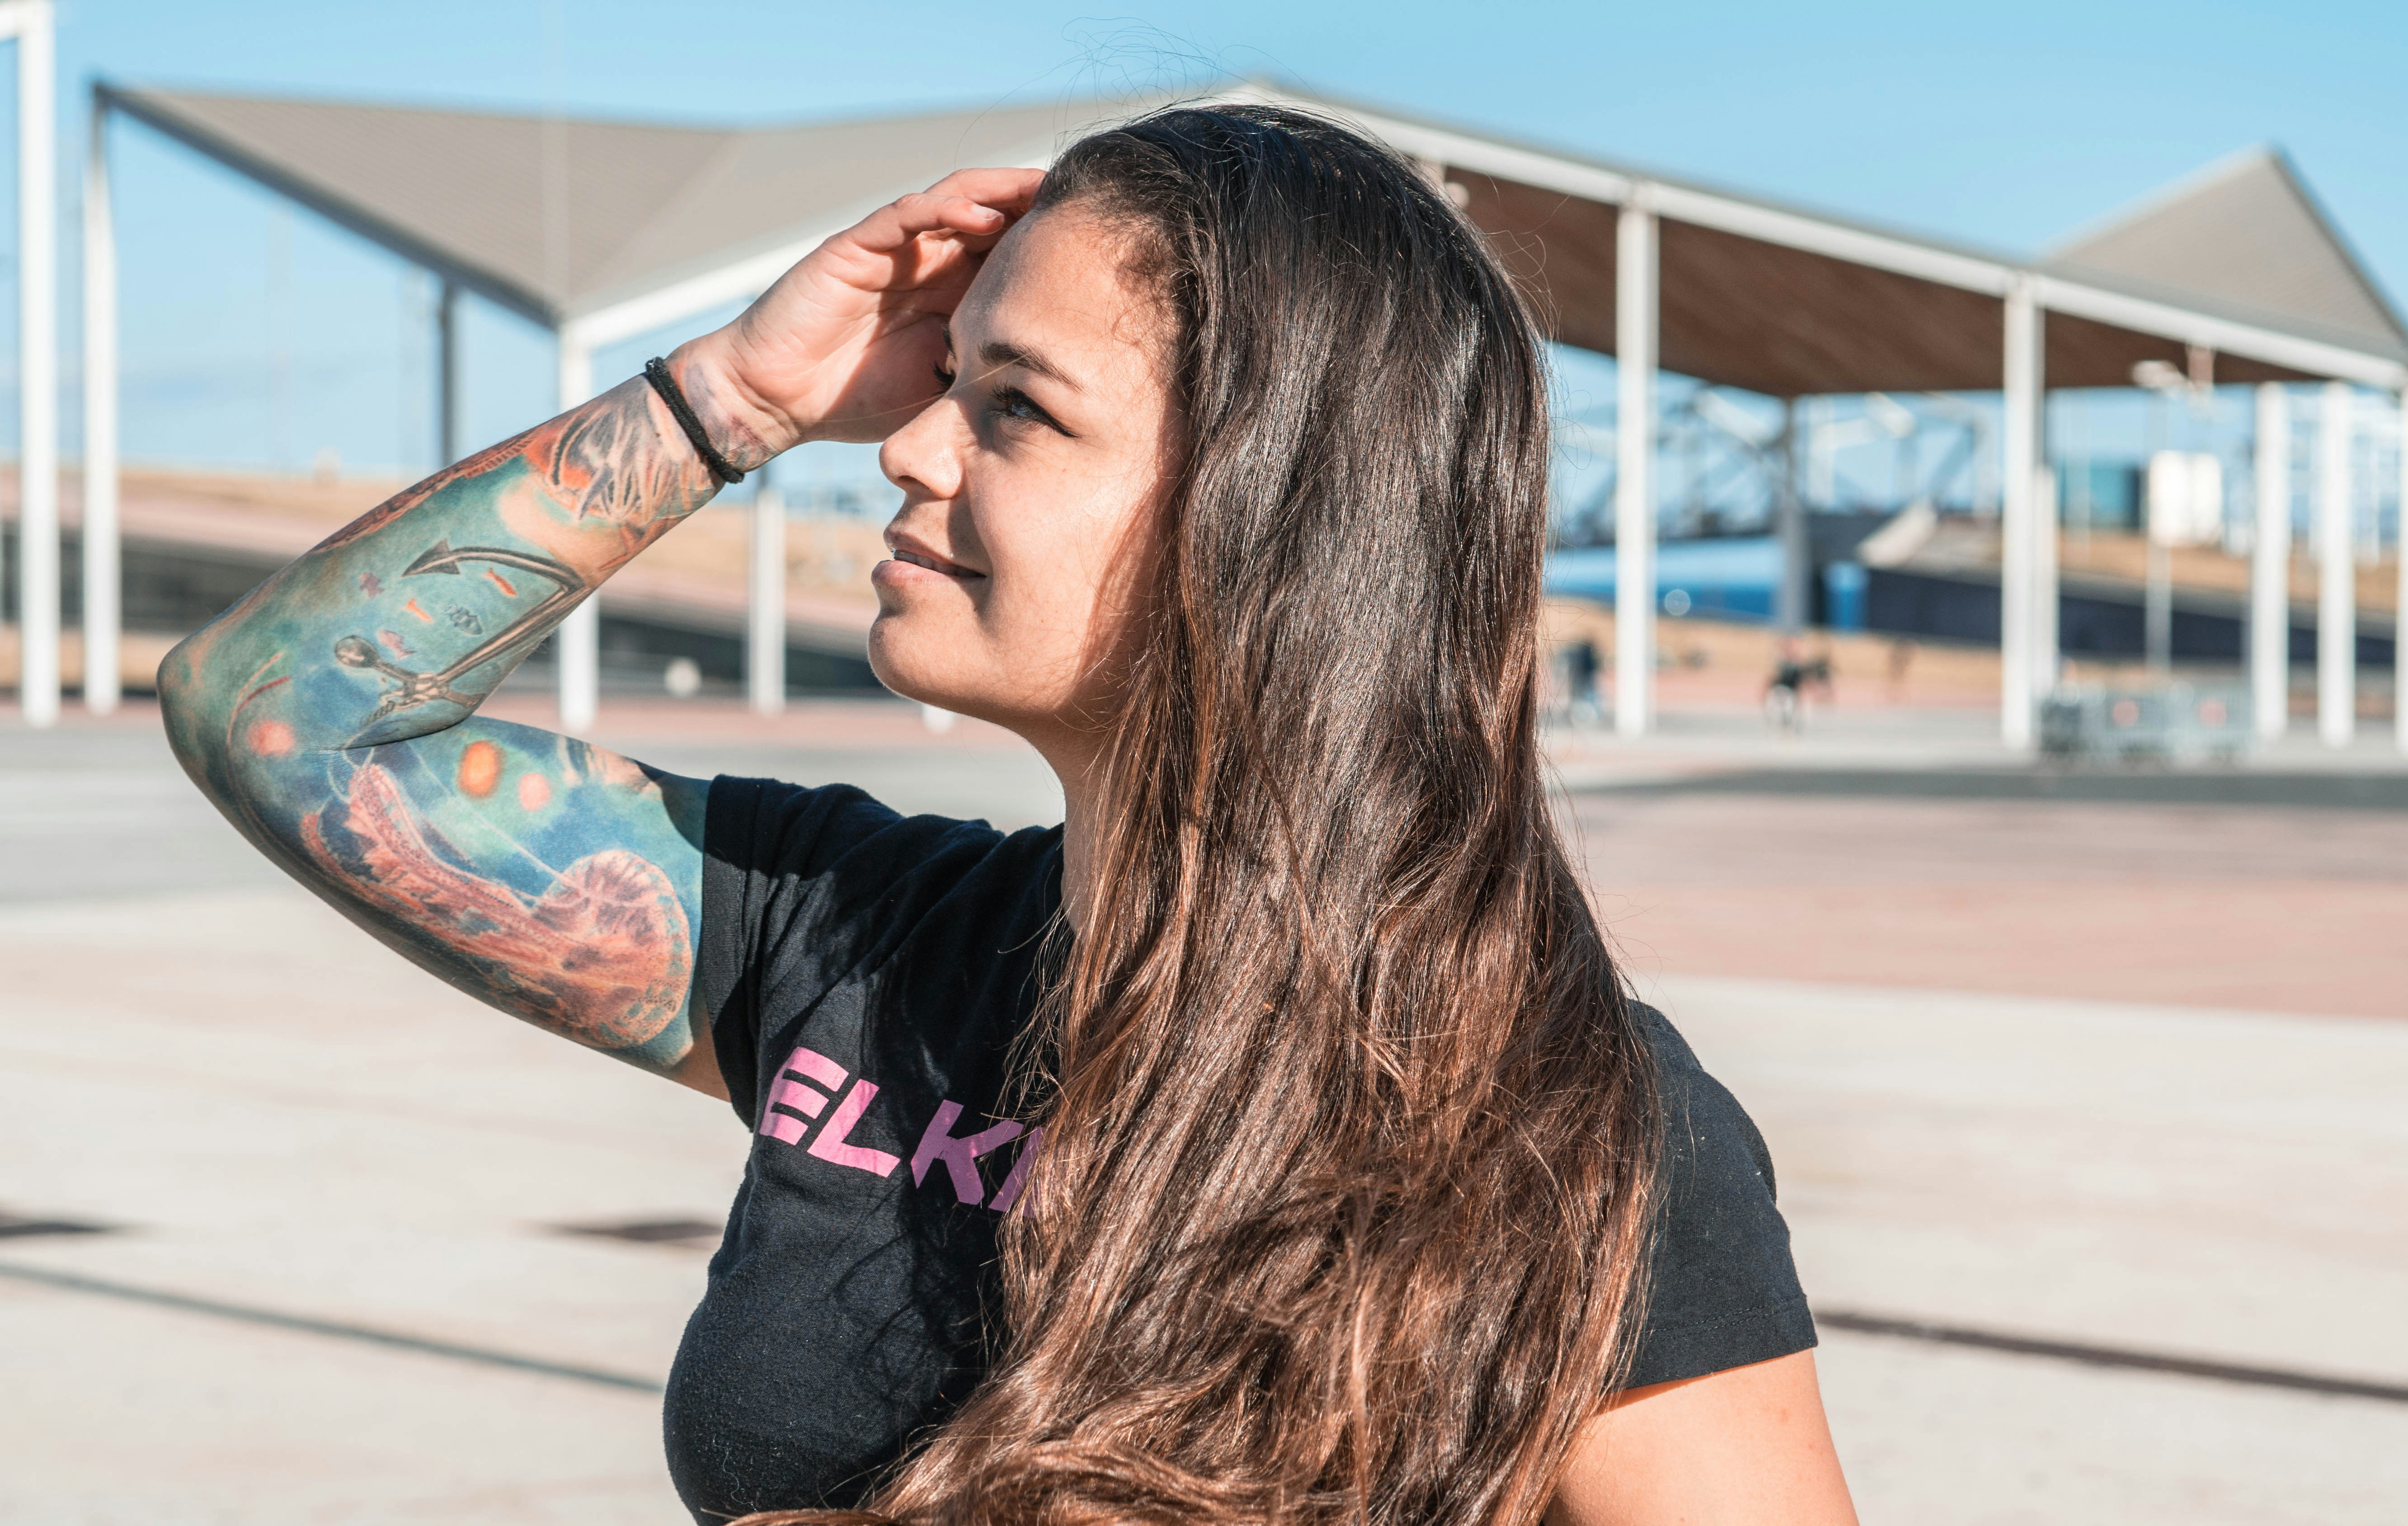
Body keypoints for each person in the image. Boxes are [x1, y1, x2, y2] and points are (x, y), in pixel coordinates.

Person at [158, 106, 1856, 1526]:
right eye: (940, 380)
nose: (905, 448)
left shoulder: (1573, 1132)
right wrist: (728, 401)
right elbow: (283, 719)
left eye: (1014, 407)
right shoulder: (852, 935)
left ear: (1270, 516)